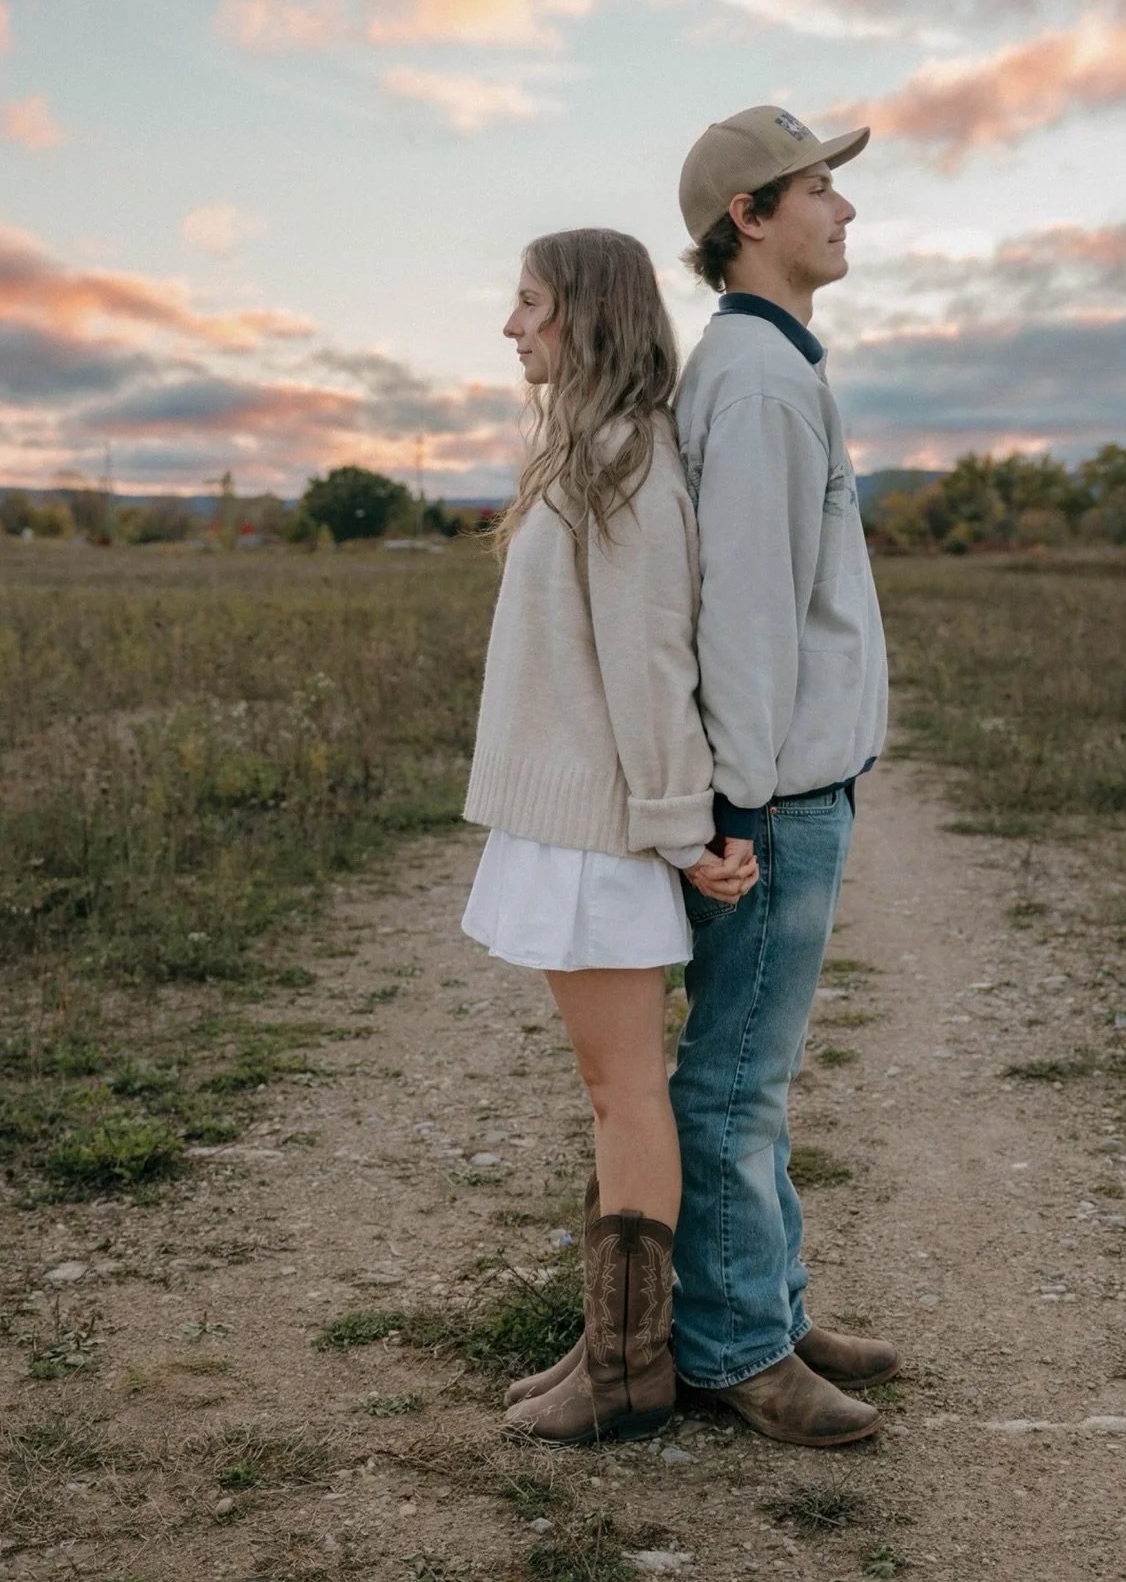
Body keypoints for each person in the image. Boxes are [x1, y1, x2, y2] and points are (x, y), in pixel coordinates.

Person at [460, 227, 757, 1446]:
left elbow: (652, 665)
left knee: (626, 1093)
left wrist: (685, 831)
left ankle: (631, 1373)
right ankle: (612, 1343)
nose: (510, 326)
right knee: (612, 1094)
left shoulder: (628, 456)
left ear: (584, 314)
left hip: (600, 831)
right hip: (570, 822)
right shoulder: (588, 452)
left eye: (527, 303)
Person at [666, 106, 895, 1446]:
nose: (846, 210)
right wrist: (741, 800)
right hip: (775, 802)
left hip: (800, 786)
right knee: (736, 1072)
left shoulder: (774, 367)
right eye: (822, 187)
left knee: (761, 1066)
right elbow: (742, 610)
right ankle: (735, 1346)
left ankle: (773, 1302)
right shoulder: (755, 379)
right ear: (750, 215)